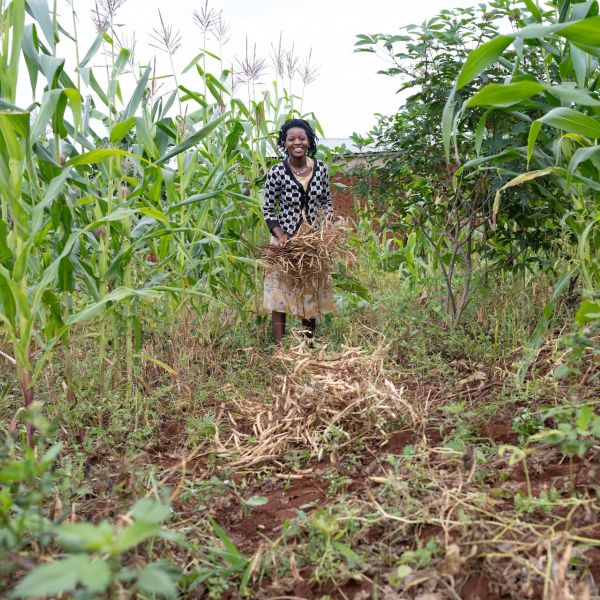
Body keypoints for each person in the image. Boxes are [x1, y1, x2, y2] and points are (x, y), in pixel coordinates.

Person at [262, 118, 335, 345]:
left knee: (310, 292)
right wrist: (281, 237)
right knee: (279, 296)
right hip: (284, 244)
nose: (297, 142)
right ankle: (280, 348)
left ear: (309, 141)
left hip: (311, 244)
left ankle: (308, 345)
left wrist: (328, 228)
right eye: (291, 139)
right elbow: (268, 209)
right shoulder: (276, 172)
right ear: (284, 143)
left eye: (302, 138)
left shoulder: (321, 168)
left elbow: (326, 201)